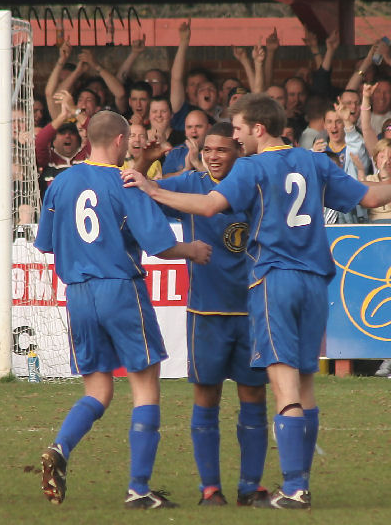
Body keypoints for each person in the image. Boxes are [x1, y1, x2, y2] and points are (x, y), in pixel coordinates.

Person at [122, 94, 391, 509]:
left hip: (274, 280)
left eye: (239, 130)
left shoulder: (253, 166)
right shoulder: (315, 163)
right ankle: (297, 482)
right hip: (316, 280)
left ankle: (294, 488)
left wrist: (154, 186)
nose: (236, 138)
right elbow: (370, 199)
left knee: (283, 388)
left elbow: (210, 205)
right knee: (306, 382)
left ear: (259, 129)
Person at [35, 110, 211, 510]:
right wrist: (192, 250)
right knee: (145, 385)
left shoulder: (60, 184)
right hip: (119, 288)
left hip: (78, 293)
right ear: (119, 140)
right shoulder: (127, 183)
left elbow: (46, 243)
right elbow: (161, 244)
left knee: (98, 389)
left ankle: (60, 447)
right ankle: (138, 489)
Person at [149, 122, 269, 506]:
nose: (214, 156)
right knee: (207, 397)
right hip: (207, 311)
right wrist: (144, 160)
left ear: (238, 152)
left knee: (253, 396)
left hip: (252, 309)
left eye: (222, 150)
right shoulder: (190, 183)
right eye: (207, 150)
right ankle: (210, 489)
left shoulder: (254, 184)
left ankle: (250, 487)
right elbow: (140, 192)